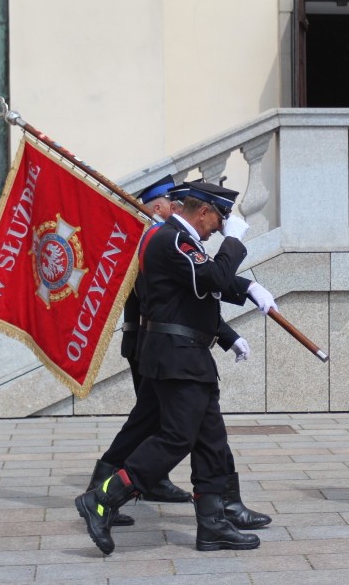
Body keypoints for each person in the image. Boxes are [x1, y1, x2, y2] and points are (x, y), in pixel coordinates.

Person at [76, 179, 278, 555]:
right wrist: (234, 242)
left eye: (223, 225)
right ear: (202, 211)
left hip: (188, 355)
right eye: (218, 220)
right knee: (175, 438)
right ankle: (101, 499)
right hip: (177, 356)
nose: (219, 227)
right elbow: (212, 276)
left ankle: (213, 524)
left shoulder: (179, 241)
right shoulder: (172, 239)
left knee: (210, 440)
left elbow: (200, 290)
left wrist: (246, 290)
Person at [84, 177, 191, 531]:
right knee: (146, 419)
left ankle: (150, 480)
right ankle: (100, 490)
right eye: (173, 205)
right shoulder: (147, 238)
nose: (178, 211)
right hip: (150, 341)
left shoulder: (159, 236)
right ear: (159, 206)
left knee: (153, 418)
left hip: (157, 341)